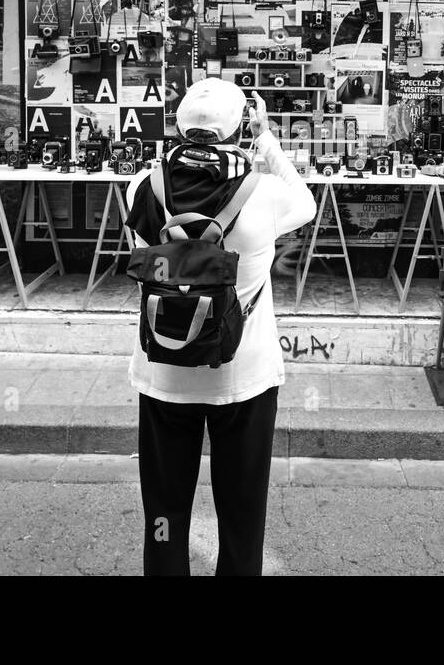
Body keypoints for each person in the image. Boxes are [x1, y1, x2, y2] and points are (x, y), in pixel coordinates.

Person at [124, 78, 316, 575]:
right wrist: (267, 139)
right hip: (243, 379)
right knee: (242, 509)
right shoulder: (266, 194)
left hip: (163, 370)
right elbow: (307, 201)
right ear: (238, 130)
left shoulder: (143, 185)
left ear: (180, 126)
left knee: (164, 510)